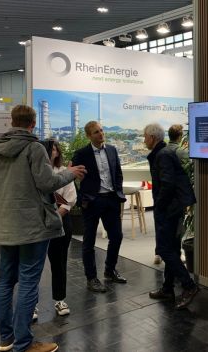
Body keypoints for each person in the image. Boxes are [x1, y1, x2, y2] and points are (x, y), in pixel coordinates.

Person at [0, 105, 86, 352]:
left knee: (5, 281)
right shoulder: (34, 148)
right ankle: (24, 343)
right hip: (32, 227)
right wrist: (70, 173)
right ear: (33, 123)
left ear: (12, 121)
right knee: (28, 281)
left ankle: (6, 339)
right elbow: (48, 183)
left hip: (3, 225)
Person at [144, 123, 199, 309]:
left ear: (152, 138)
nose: (144, 140)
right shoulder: (164, 153)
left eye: (145, 137)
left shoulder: (162, 155)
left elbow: (167, 184)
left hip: (168, 210)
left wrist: (159, 206)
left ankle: (189, 286)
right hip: (173, 208)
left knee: (164, 249)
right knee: (172, 248)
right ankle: (168, 288)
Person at [72, 121, 127, 293]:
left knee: (116, 236)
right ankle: (91, 278)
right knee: (89, 241)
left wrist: (118, 191)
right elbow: (73, 176)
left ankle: (110, 270)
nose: (101, 134)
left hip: (111, 199)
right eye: (96, 132)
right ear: (89, 136)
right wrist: (82, 197)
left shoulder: (112, 150)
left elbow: (118, 173)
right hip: (92, 201)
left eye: (102, 130)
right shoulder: (81, 154)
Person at [40, 140, 77, 316]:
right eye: (49, 149)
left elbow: (70, 198)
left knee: (59, 262)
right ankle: (31, 304)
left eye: (55, 149)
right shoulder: (35, 171)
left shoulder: (63, 171)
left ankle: (60, 299)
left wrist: (54, 217)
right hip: (37, 223)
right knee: (33, 265)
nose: (52, 152)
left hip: (60, 222)